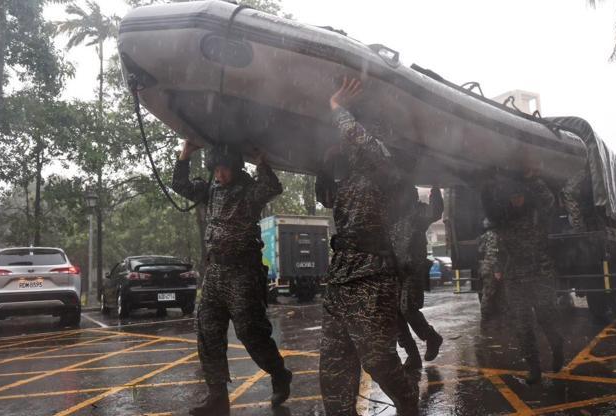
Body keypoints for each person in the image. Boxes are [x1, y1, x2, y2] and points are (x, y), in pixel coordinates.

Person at [317, 77, 419, 416]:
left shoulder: (382, 165)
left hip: (372, 275)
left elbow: (364, 144)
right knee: (333, 369)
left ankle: (407, 400)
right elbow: (324, 193)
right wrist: (326, 163)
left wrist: (338, 109)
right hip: (340, 275)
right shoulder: (348, 179)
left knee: (377, 359)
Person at [172, 143, 292, 416]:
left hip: (243, 272)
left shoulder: (249, 190)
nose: (219, 175)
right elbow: (179, 184)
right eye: (215, 169)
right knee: (208, 332)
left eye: (224, 169)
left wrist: (262, 163)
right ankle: (217, 397)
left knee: (251, 332)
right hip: (215, 272)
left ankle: (279, 373)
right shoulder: (209, 190)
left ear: (235, 167)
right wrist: (186, 153)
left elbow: (272, 188)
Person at [486, 172, 565, 384]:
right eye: (513, 197)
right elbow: (497, 245)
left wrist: (533, 178)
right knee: (522, 325)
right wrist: (497, 266)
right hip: (515, 278)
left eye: (519, 196)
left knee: (545, 317)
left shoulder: (538, 213)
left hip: (540, 274)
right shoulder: (505, 219)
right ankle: (534, 369)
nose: (516, 200)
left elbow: (549, 199)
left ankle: (557, 348)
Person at [389, 183, 444, 370]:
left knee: (407, 308)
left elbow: (435, 212)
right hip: (395, 271)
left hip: (413, 269)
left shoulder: (416, 212)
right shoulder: (391, 215)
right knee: (395, 314)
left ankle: (431, 337)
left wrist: (435, 189)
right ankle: (412, 356)